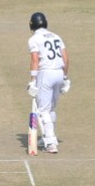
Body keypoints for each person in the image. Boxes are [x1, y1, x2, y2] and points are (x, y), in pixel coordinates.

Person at [26, 12, 71, 154]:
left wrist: (33, 80)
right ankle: (48, 135)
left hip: (46, 73)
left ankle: (51, 142)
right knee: (50, 109)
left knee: (43, 110)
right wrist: (65, 78)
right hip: (59, 72)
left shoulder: (34, 39)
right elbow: (66, 58)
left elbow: (35, 59)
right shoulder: (56, 36)